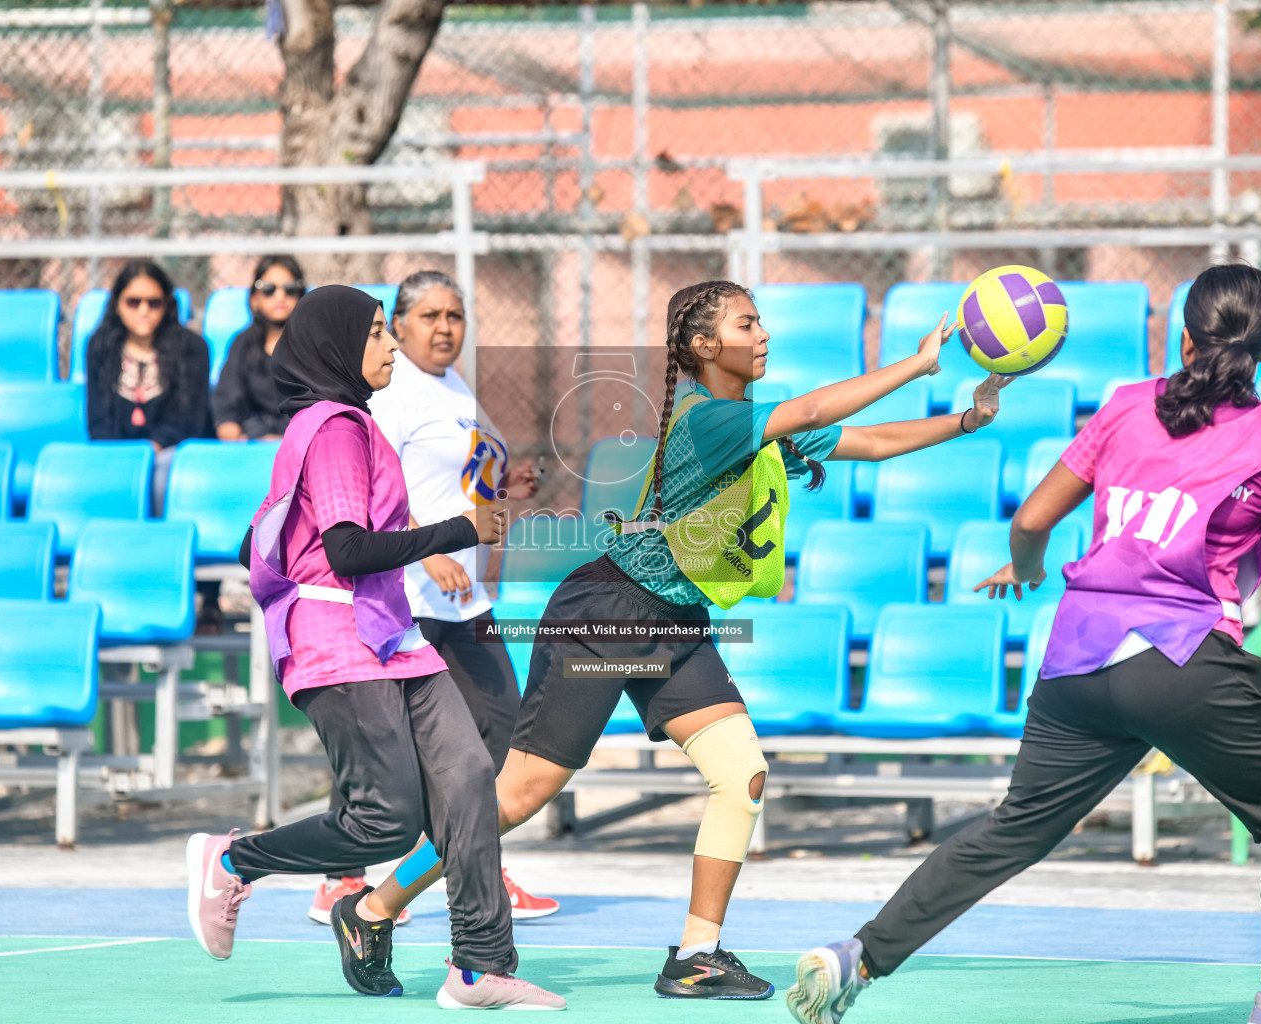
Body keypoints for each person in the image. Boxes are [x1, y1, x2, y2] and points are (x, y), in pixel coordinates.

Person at [352, 279, 1010, 1001]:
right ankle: (374, 908)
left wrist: (967, 422)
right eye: (746, 323)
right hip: (607, 615)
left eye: (762, 322)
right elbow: (820, 407)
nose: (763, 335)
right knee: (518, 794)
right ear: (703, 346)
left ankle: (697, 955)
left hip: (677, 619)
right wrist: (915, 366)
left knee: (743, 774)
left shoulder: (751, 419)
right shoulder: (707, 422)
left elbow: (872, 441)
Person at [786, 263, 1261, 1024]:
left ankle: (856, 957)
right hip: (1182, 659)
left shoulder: (1126, 406)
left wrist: (1026, 570)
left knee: (1015, 828)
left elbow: (1032, 520)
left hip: (1078, 662)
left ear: (1185, 336)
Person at [184, 285, 565, 1011]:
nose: (391, 347)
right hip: (338, 640)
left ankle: (480, 966)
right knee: (384, 819)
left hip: (393, 635)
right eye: (379, 334)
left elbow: (265, 539)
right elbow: (349, 549)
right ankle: (234, 859)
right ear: (338, 347)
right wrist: (459, 530)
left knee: (468, 777)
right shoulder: (332, 428)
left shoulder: (351, 424)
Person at [305, 270, 560, 927]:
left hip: (465, 600)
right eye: (430, 316)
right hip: (410, 594)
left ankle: (476, 864)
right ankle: (340, 881)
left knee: (500, 725)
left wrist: (507, 482)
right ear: (399, 323)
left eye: (455, 315)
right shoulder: (395, 393)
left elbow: (460, 471)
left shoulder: (453, 385)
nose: (445, 327)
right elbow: (370, 486)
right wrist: (429, 548)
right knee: (385, 742)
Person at [84, 259, 219, 630]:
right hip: (119, 454)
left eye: (153, 302)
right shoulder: (100, 348)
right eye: (133, 302)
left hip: (175, 451)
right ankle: (119, 590)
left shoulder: (191, 348)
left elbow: (190, 419)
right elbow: (96, 420)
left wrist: (154, 447)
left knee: (161, 478)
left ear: (167, 305)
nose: (144, 310)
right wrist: (130, 457)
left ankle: (184, 592)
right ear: (118, 304)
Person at [213, 255, 305, 441]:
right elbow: (228, 403)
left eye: (290, 289)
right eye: (269, 289)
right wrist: (235, 436)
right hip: (252, 442)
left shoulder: (314, 345)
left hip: (303, 439)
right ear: (254, 299)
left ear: (301, 297)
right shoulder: (243, 344)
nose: (280, 296)